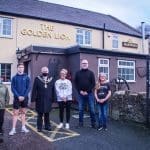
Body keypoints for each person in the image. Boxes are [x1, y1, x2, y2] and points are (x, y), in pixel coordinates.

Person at [9, 63, 31, 136]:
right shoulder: (14, 78)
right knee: (15, 114)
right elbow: (13, 88)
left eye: (22, 67)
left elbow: (28, 88)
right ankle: (13, 129)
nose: (21, 68)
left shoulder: (27, 77)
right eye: (19, 67)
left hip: (25, 98)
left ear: (23, 68)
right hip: (16, 98)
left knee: (23, 113)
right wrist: (18, 96)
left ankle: (23, 127)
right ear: (17, 68)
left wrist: (24, 96)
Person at [31, 66, 54, 132]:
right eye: (44, 71)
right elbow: (34, 89)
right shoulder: (37, 79)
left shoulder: (51, 79)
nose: (45, 72)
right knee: (40, 114)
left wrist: (53, 99)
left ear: (48, 72)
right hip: (39, 99)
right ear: (41, 72)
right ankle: (39, 127)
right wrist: (33, 99)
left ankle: (47, 126)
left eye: (46, 71)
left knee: (47, 114)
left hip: (48, 99)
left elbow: (53, 90)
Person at [74, 59, 96, 128]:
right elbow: (75, 83)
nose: (84, 64)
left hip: (89, 94)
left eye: (86, 63)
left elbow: (93, 84)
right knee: (80, 109)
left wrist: (87, 91)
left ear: (88, 64)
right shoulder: (78, 73)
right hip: (80, 94)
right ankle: (81, 123)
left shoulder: (91, 73)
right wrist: (80, 91)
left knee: (92, 109)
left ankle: (93, 123)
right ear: (81, 64)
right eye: (83, 63)